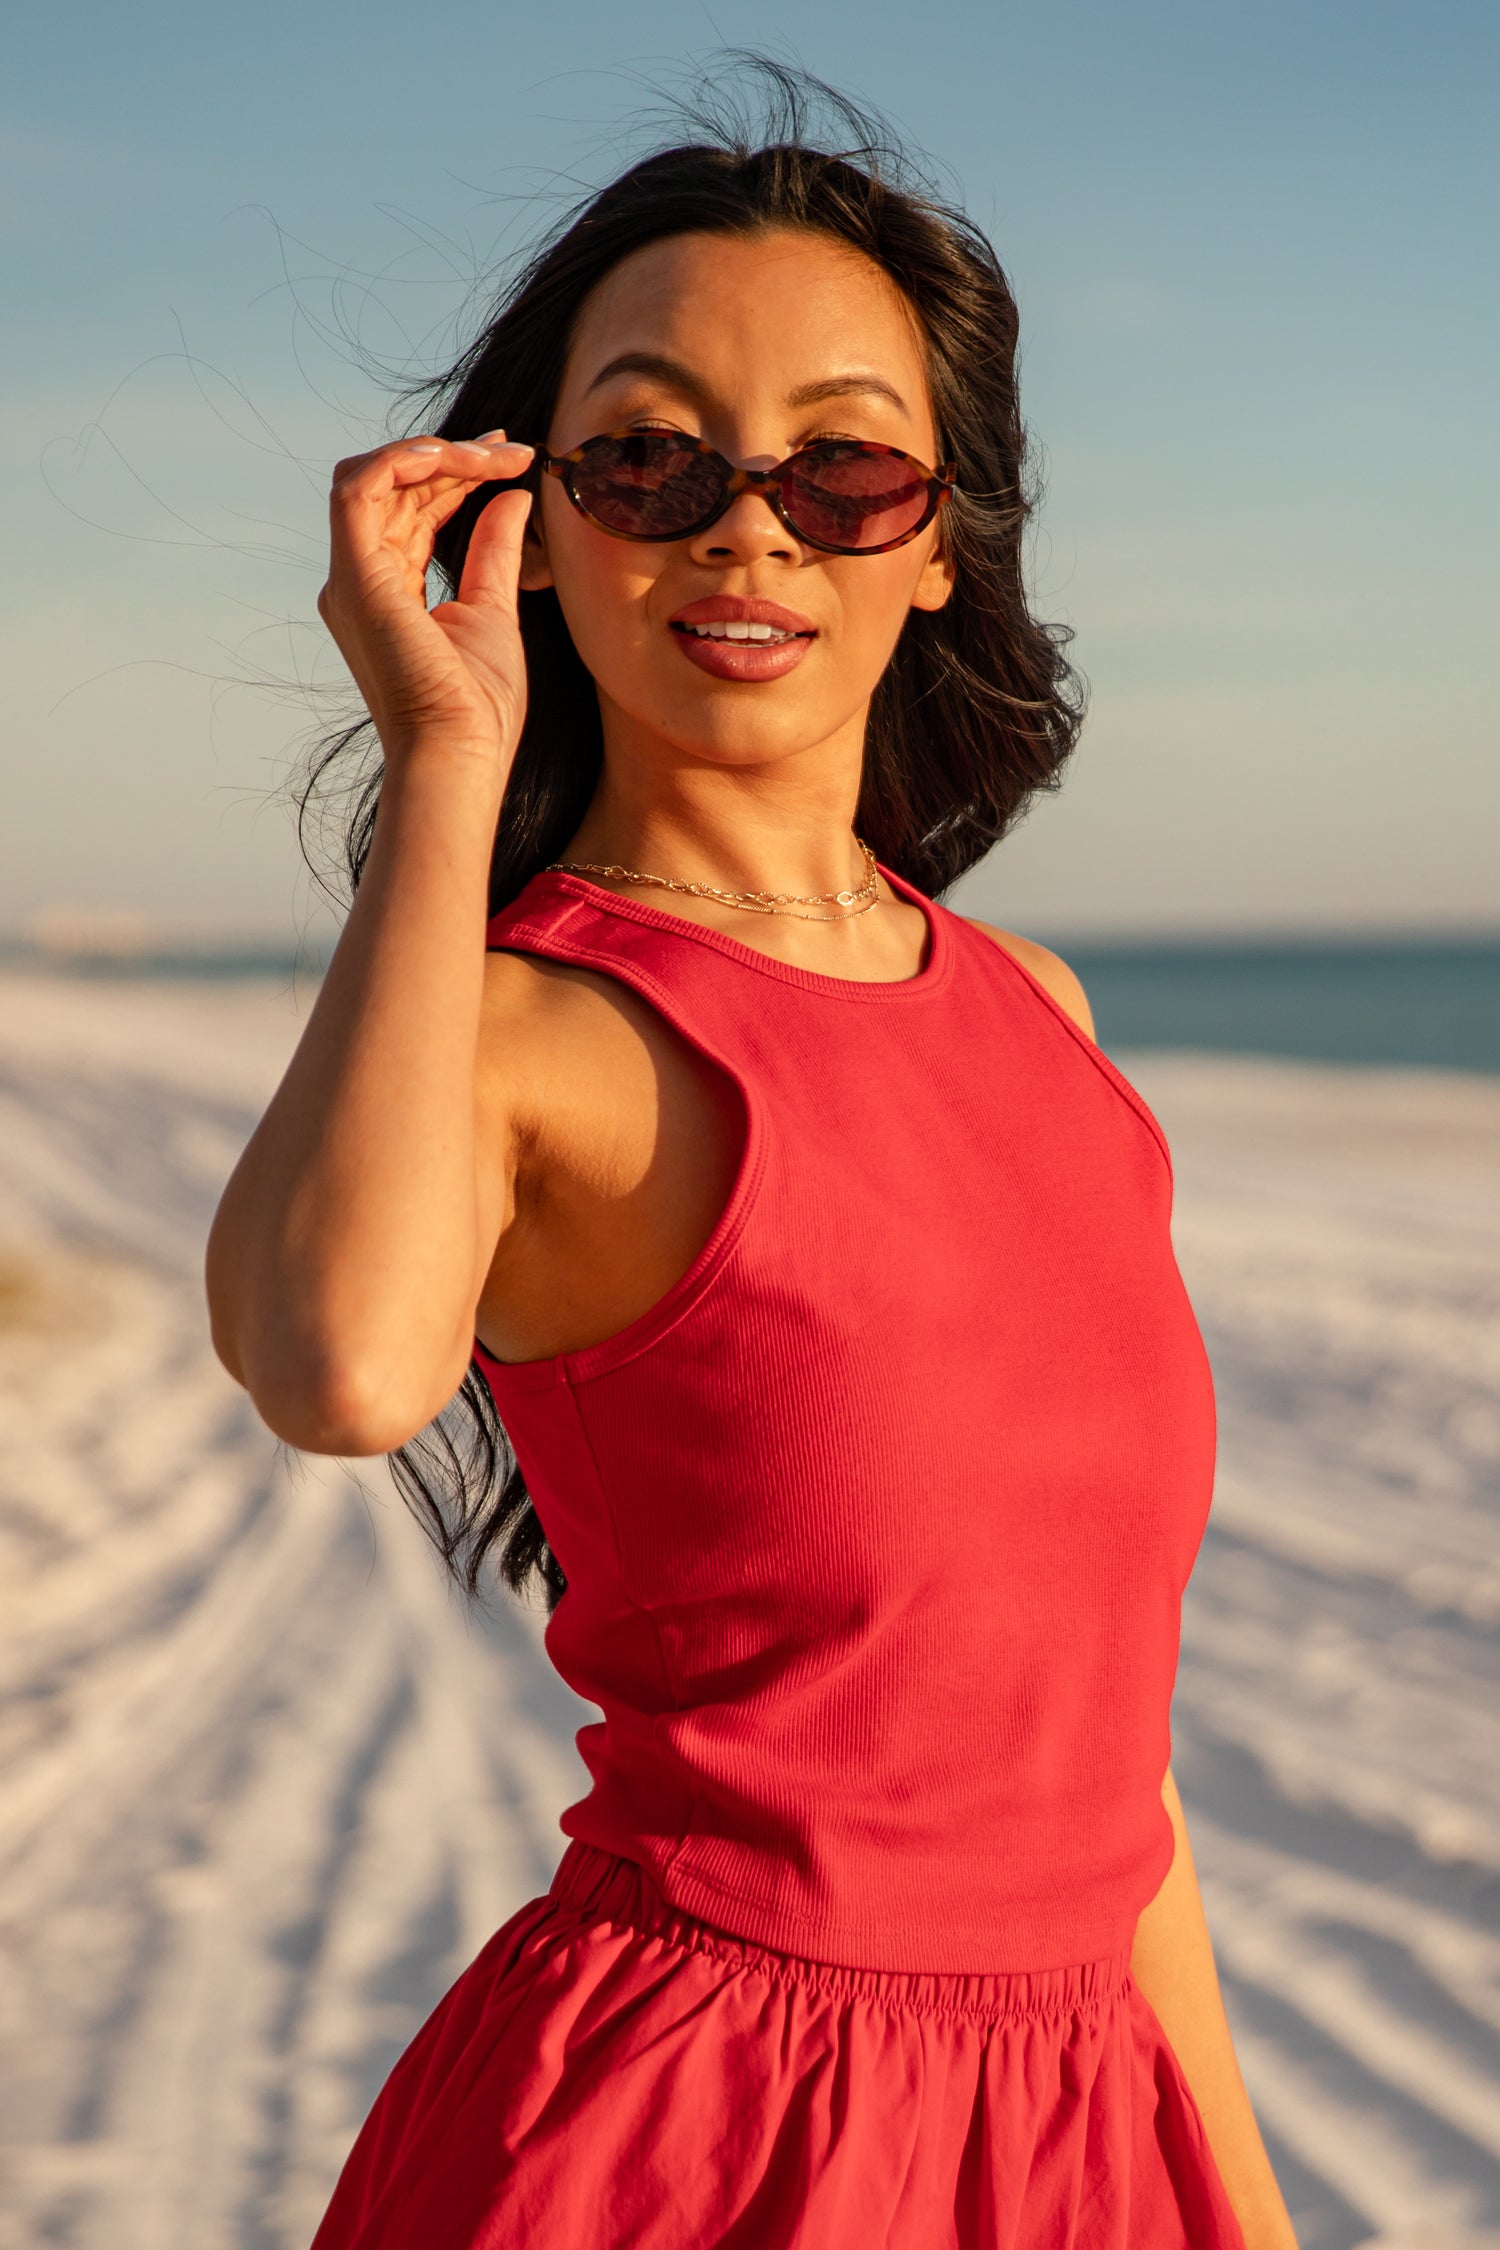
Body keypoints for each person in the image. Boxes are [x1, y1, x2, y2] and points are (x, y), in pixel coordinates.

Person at [206, 75, 1299, 2250]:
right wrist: (446, 754)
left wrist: (1240, 2213)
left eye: (844, 464)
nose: (749, 525)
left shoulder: (1040, 1021)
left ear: (944, 536)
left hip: (1085, 2133)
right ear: (529, 516)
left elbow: (1107, 1776)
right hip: (704, 2140)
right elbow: (336, 1365)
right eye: (648, 453)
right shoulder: (529, 1027)